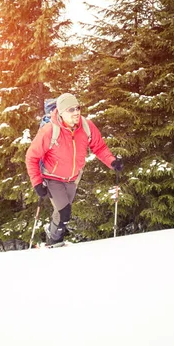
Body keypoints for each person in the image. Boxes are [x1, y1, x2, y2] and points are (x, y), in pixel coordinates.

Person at [25, 93, 123, 245]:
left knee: (62, 211)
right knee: (65, 212)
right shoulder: (50, 131)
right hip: (52, 177)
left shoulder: (86, 126)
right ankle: (54, 242)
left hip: (72, 178)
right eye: (71, 110)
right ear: (62, 112)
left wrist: (112, 161)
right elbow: (31, 157)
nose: (76, 112)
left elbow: (99, 147)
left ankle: (52, 233)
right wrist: (37, 182)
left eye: (77, 108)